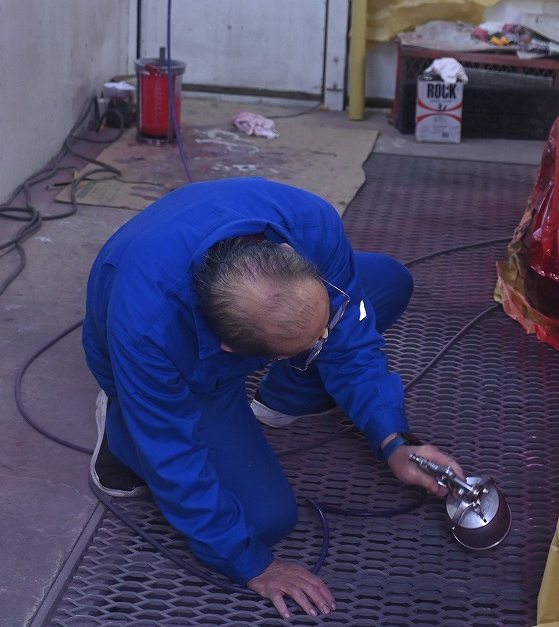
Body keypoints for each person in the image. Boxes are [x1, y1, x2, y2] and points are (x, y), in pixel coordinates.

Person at [81, 177, 463, 619]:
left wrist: (393, 440)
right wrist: (250, 563)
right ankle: (122, 424)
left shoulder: (310, 223)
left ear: (290, 256)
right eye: (309, 346)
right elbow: (173, 456)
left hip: (227, 303)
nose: (325, 341)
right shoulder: (149, 331)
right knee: (265, 520)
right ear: (232, 351)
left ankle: (282, 398)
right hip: (158, 357)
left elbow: (350, 339)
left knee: (387, 282)